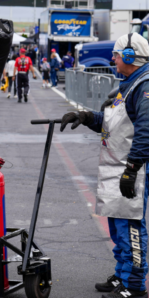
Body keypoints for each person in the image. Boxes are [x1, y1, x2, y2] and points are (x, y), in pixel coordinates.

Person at [60, 33, 149, 298]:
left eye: (117, 54)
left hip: (132, 169)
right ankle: (122, 274)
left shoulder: (144, 87)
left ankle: (134, 285)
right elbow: (115, 123)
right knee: (118, 227)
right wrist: (85, 116)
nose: (113, 58)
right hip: (117, 168)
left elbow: (146, 130)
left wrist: (132, 170)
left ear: (131, 57)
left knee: (131, 226)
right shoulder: (130, 83)